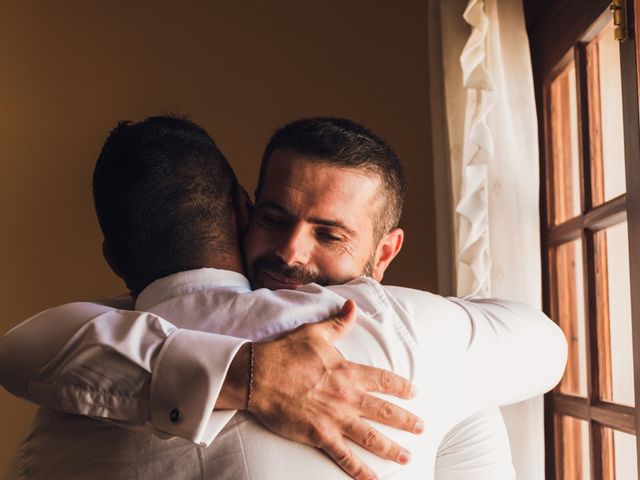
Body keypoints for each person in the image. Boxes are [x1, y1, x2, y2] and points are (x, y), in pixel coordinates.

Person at [0, 116, 566, 479]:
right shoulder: (109, 336)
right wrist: (251, 374)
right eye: (276, 218)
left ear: (384, 254)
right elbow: (21, 349)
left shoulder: (423, 340)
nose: (291, 253)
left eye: (329, 234)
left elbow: (546, 346)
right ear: (244, 213)